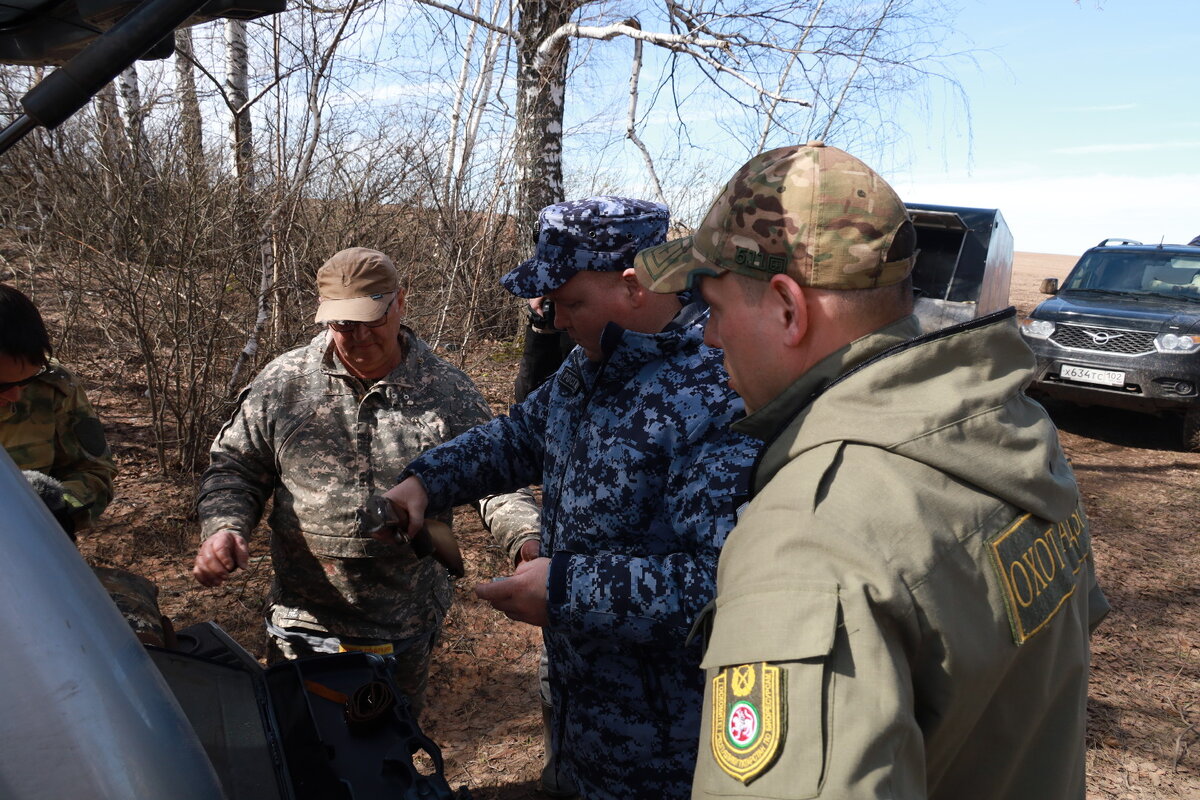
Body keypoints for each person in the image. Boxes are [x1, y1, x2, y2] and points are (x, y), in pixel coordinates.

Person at [633, 141, 1110, 800]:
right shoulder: (1009, 435)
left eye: (713, 308)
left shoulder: (812, 541)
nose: (709, 338)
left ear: (788, 309)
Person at [381, 196, 760, 800]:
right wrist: (426, 480)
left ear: (633, 285)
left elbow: (720, 588)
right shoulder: (589, 364)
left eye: (571, 302)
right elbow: (517, 438)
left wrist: (566, 590)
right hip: (578, 708)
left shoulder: (714, 393)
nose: (555, 320)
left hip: (663, 751)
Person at [192, 247, 540, 715]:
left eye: (371, 320)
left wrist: (524, 536)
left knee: (388, 747)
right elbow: (234, 467)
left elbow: (496, 478)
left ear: (401, 302)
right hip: (305, 620)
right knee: (301, 749)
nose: (357, 338)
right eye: (342, 325)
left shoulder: (446, 390)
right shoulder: (284, 383)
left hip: (404, 622)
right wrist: (224, 528)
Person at [0, 283, 115, 536]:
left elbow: (95, 471)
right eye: (2, 386)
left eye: (25, 382)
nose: (16, 395)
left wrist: (58, 506)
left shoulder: (52, 386)